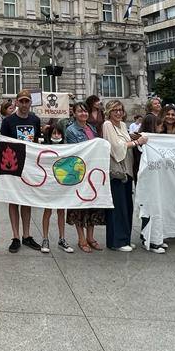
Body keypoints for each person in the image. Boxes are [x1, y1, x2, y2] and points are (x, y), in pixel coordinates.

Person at [0, 90, 43, 253]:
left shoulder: (35, 120)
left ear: (30, 102)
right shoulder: (8, 121)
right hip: (13, 165)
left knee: (26, 200)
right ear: (17, 102)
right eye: (22, 101)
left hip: (30, 165)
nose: (24, 104)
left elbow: (38, 141)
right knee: (13, 200)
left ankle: (26, 235)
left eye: (27, 101)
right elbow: (3, 143)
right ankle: (16, 236)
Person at [102, 99, 144, 251]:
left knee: (127, 205)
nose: (119, 113)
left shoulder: (123, 125)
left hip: (127, 170)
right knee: (117, 207)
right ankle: (116, 241)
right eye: (115, 110)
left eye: (120, 110)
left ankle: (125, 238)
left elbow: (124, 141)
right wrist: (137, 142)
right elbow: (116, 147)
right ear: (109, 112)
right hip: (116, 171)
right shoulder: (107, 125)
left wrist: (132, 137)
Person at [65, 103, 101, 252]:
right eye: (80, 111)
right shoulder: (71, 130)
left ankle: (90, 236)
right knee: (79, 205)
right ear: (74, 114)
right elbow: (75, 151)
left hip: (92, 170)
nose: (83, 113)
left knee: (92, 203)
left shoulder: (91, 128)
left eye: (85, 111)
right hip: (79, 172)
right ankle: (81, 238)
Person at [36, 119, 73, 254]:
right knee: (48, 211)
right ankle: (45, 238)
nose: (56, 136)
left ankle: (62, 238)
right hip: (49, 185)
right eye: (54, 133)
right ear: (49, 135)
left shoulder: (66, 148)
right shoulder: (44, 148)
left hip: (61, 184)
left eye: (59, 134)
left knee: (61, 211)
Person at [135, 112, 168, 252]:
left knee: (156, 209)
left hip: (156, 180)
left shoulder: (154, 141)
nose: (161, 128)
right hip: (148, 181)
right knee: (150, 209)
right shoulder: (144, 141)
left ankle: (155, 237)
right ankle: (151, 239)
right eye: (159, 125)